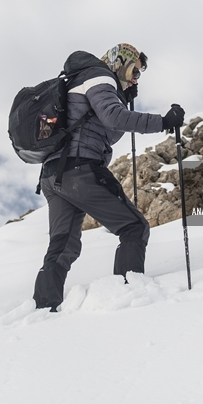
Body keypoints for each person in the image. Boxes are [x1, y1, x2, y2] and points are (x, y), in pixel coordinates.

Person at [33, 43, 185, 311]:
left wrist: (122, 96)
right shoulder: (100, 76)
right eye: (135, 72)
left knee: (62, 245)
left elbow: (100, 124)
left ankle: (44, 309)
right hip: (80, 169)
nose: (135, 79)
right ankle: (127, 295)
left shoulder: (78, 80)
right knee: (134, 228)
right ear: (120, 63)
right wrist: (163, 121)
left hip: (53, 175)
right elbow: (113, 117)